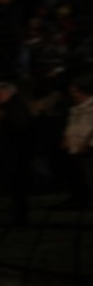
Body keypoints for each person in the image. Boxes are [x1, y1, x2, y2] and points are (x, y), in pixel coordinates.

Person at [0, 81, 33, 226]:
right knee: (15, 188)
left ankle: (20, 217)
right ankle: (18, 215)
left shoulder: (15, 108)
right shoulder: (6, 107)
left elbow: (18, 128)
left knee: (17, 187)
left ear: (8, 93)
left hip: (16, 154)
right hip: (13, 153)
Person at [60, 76, 93, 209]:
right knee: (77, 175)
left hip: (86, 147)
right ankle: (79, 197)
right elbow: (72, 124)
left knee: (88, 175)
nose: (73, 94)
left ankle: (88, 199)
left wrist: (89, 143)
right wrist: (66, 138)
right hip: (75, 146)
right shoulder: (76, 107)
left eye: (75, 91)